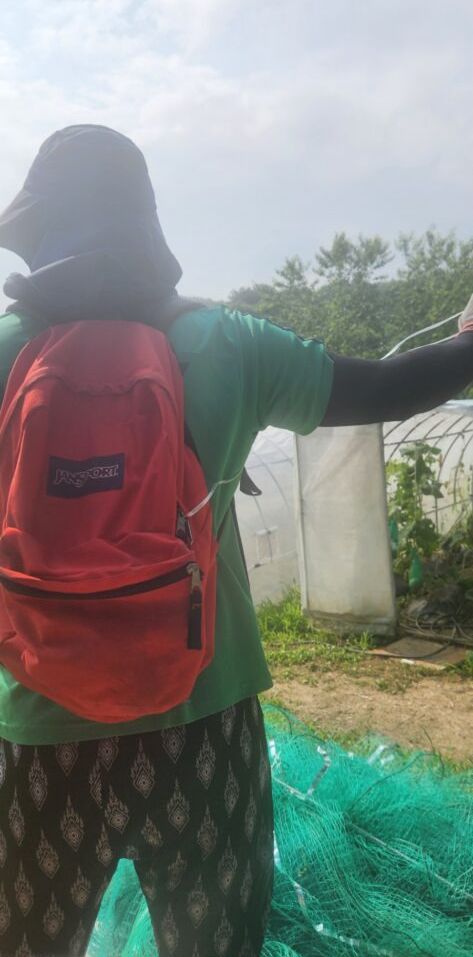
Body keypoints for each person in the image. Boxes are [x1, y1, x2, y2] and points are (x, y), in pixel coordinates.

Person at [0, 124, 472, 957]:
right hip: (202, 723)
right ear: (146, 220)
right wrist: (466, 340)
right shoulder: (226, 343)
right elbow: (390, 388)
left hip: (38, 728)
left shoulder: (6, 351)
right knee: (213, 941)